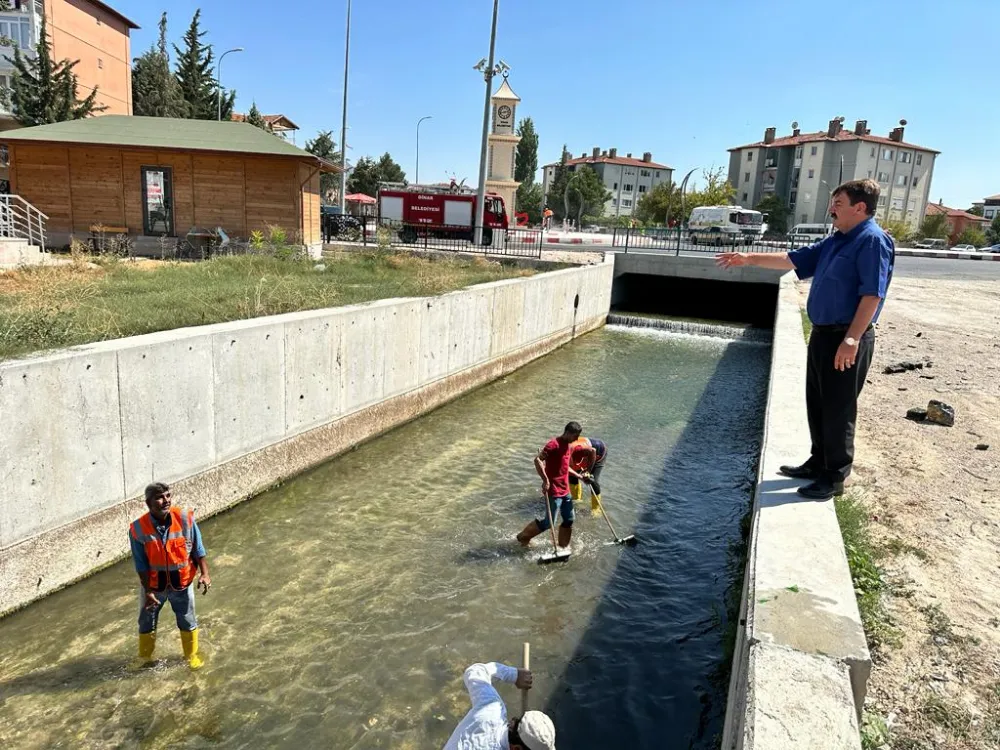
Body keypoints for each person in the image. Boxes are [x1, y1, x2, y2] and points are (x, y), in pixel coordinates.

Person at [716, 178, 894, 500]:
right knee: (818, 403)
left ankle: (835, 476)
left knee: (839, 408)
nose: (831, 210)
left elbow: (872, 295)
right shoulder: (836, 240)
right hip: (824, 335)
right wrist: (748, 258)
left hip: (846, 337)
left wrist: (852, 340)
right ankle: (818, 462)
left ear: (860, 207)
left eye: (837, 204)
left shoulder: (871, 241)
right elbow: (792, 260)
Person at [129, 482, 212, 670]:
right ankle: (144, 658)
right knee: (146, 621)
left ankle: (191, 656)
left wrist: (205, 574)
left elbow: (198, 550)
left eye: (167, 495)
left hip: (181, 585)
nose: (165, 500)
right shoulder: (138, 529)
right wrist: (148, 591)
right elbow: (140, 564)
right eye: (159, 497)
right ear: (148, 503)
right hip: (153, 587)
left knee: (187, 619)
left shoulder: (185, 519)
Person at [443, 661, 556, 750]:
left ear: (513, 722)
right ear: (516, 749)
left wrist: (514, 674)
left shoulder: (491, 710)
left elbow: (475, 671)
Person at [516, 422, 582, 549]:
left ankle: (563, 547)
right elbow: (538, 460)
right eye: (576, 435)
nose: (577, 439)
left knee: (569, 519)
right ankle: (523, 537)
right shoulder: (553, 445)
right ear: (568, 433)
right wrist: (546, 480)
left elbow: (564, 466)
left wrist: (579, 476)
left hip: (565, 490)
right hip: (554, 490)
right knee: (549, 523)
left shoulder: (568, 446)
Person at [568, 436, 608, 511]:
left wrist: (588, 471)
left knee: (592, 480)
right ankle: (576, 499)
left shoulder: (578, 449)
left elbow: (593, 451)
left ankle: (596, 509)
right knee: (571, 476)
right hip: (583, 454)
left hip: (599, 453)